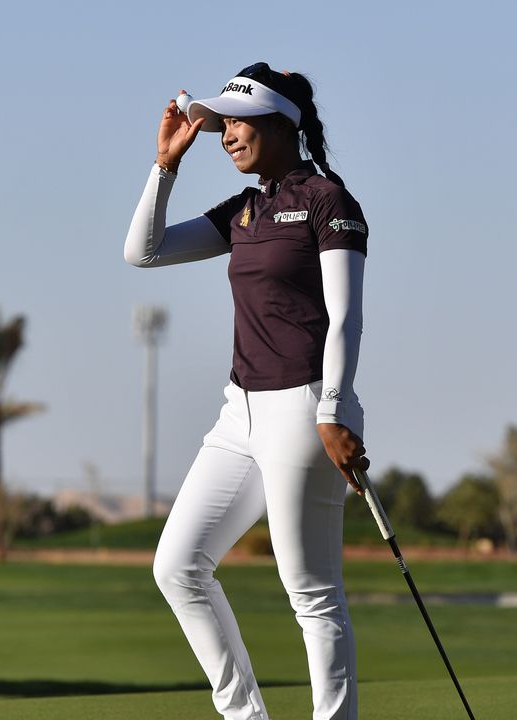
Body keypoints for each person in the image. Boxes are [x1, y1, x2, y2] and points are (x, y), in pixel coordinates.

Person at [123, 62, 370, 720]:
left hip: (304, 408)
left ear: (278, 123)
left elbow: (346, 315)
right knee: (178, 566)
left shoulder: (326, 202)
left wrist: (336, 408)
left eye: (236, 121)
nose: (225, 134)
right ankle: (244, 716)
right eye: (222, 123)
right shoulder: (242, 211)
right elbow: (142, 252)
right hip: (240, 412)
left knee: (311, 591)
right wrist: (165, 165)